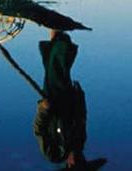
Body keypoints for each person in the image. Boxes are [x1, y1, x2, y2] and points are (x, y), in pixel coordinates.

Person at [34, 30, 90, 169]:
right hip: (68, 97)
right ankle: (57, 36)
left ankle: (57, 35)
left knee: (56, 68)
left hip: (53, 100)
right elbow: (82, 117)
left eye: (76, 163)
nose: (79, 159)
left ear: (69, 165)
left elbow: (39, 131)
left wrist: (43, 110)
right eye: (82, 161)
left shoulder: (54, 154)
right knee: (59, 68)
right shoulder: (80, 143)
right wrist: (80, 96)